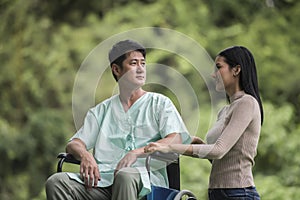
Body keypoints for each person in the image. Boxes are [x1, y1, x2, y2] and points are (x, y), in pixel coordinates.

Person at [45, 39, 191, 200]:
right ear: (116, 69)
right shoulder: (101, 111)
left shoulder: (160, 103)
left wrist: (137, 152)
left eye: (143, 63)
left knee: (125, 175)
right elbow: (74, 144)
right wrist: (85, 155)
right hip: (103, 181)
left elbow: (176, 139)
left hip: (145, 183)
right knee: (56, 182)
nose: (141, 69)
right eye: (134, 63)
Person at [145, 46, 264, 200]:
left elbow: (218, 150)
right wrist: (199, 143)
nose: (213, 75)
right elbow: (219, 158)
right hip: (218, 193)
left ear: (236, 70)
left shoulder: (247, 103)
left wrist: (168, 147)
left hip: (239, 193)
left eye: (219, 67)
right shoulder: (225, 110)